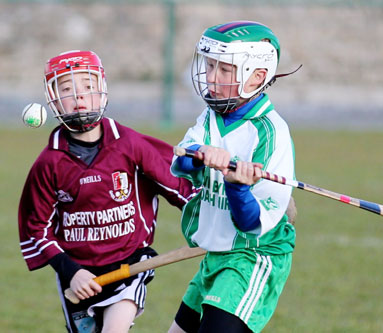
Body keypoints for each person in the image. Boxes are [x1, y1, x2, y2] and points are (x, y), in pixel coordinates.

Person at [18, 50, 196, 333]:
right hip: (76, 275)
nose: (79, 96)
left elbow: (179, 187)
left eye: (88, 87)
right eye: (67, 89)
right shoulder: (48, 163)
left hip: (130, 262)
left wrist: (222, 215)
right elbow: (37, 229)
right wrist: (70, 271)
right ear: (54, 99)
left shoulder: (129, 144)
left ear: (102, 91)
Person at [168, 21, 297, 333]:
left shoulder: (270, 133)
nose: (211, 77)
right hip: (217, 252)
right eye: (210, 65)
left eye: (224, 70)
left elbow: (251, 224)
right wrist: (202, 152)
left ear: (257, 77)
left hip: (252, 256)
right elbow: (183, 161)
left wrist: (237, 186)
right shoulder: (211, 115)